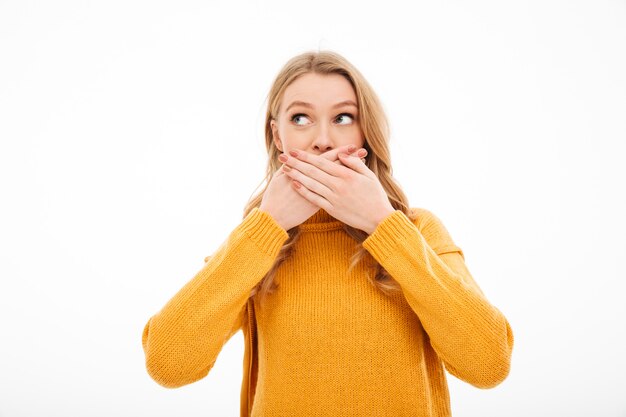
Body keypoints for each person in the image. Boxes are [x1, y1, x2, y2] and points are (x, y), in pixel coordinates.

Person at [141, 50, 514, 417]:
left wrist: (385, 226)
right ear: (277, 134)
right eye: (301, 118)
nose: (323, 140)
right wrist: (265, 228)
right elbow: (168, 364)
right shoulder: (256, 241)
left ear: (365, 129)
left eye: (343, 117)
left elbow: (488, 365)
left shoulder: (417, 229)